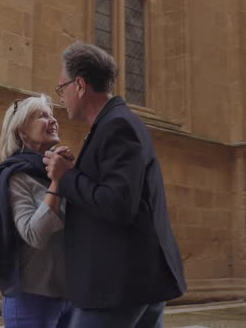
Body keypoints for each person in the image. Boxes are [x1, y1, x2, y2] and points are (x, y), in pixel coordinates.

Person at [43, 42, 187, 328]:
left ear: (80, 85)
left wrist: (66, 176)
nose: (62, 98)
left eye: (62, 88)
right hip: (134, 282)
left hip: (118, 286)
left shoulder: (117, 125)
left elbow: (118, 203)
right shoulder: (113, 123)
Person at [0, 95, 74, 328]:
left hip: (71, 296)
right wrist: (57, 183)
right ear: (22, 132)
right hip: (31, 299)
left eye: (52, 114)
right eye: (43, 116)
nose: (53, 120)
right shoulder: (15, 176)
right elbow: (34, 234)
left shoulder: (58, 170)